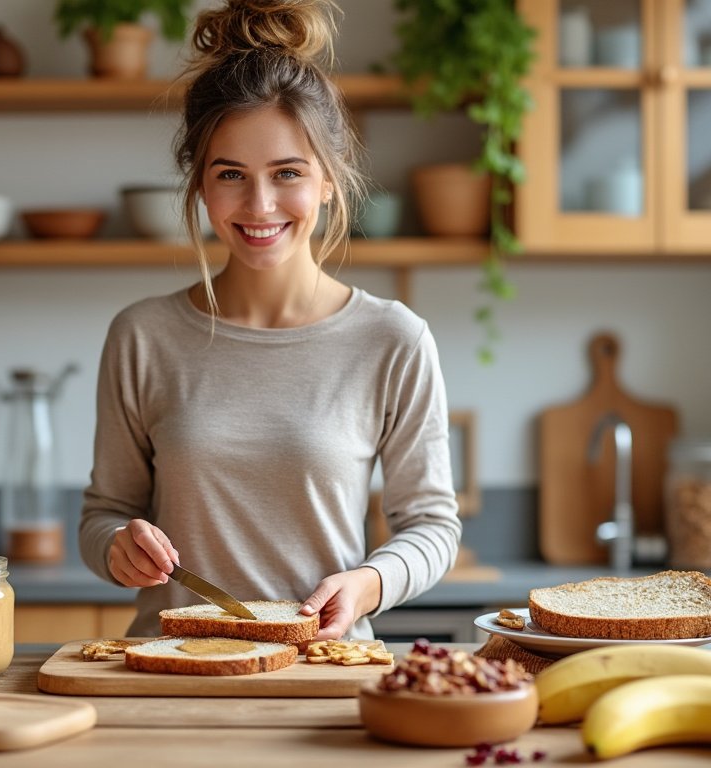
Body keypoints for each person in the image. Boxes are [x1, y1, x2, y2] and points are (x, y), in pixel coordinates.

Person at [79, 0, 461, 641]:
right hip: (169, 676)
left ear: (330, 181)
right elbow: (104, 514)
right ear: (199, 184)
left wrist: (369, 584)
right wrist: (118, 547)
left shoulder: (393, 339)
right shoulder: (142, 336)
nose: (260, 206)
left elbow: (432, 524)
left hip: (322, 674)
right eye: (231, 174)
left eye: (288, 174)